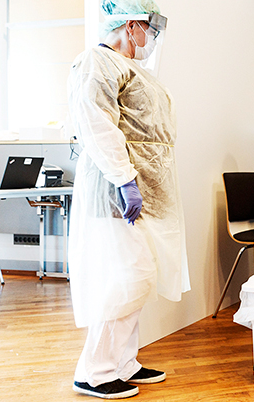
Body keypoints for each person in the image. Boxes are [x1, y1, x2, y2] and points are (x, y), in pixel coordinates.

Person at [66, 0, 189, 398]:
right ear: (133, 24)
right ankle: (95, 371)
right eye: (150, 30)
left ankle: (124, 362)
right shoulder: (97, 63)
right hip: (115, 192)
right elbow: (96, 124)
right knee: (126, 279)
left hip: (144, 191)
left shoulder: (136, 69)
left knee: (139, 278)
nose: (152, 39)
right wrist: (123, 179)